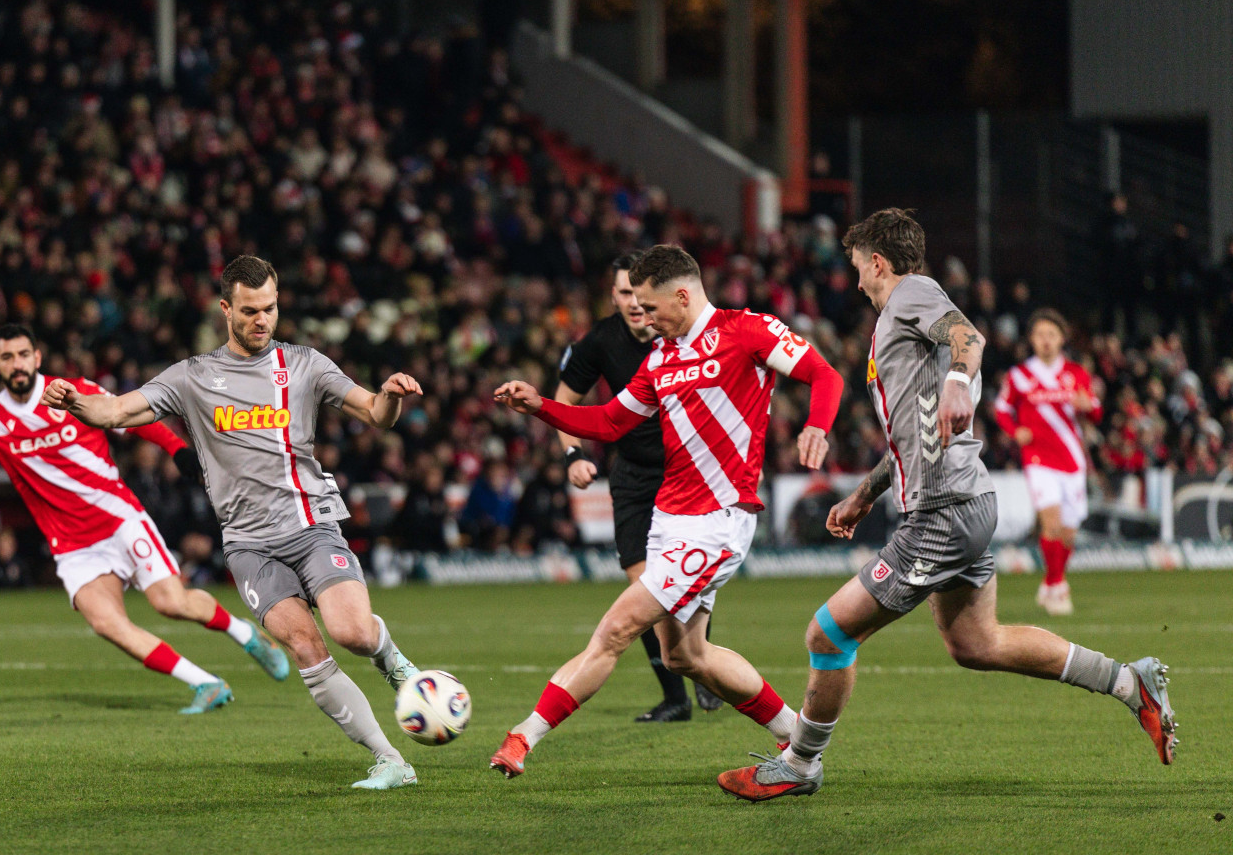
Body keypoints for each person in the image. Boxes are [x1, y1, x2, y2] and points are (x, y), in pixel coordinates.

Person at [718, 209, 1174, 802]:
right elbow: (915, 433)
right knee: (976, 644)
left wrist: (959, 378)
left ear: (878, 262)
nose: (855, 281)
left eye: (858, 267)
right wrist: (865, 492)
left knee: (828, 635)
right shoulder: (903, 318)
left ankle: (801, 763)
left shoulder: (912, 295)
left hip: (943, 512)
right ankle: (1127, 682)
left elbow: (969, 337)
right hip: (965, 500)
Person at [43, 255, 425, 790]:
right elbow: (116, 413)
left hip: (310, 524)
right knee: (306, 648)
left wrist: (389, 396)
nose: (261, 320)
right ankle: (390, 760)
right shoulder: (193, 377)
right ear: (226, 309)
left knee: (352, 633)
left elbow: (374, 414)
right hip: (248, 545)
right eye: (249, 311)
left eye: (269, 308)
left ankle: (392, 659)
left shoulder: (306, 364)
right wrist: (72, 401)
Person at [487, 245, 844, 779]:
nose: (644, 318)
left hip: (718, 520)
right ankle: (798, 739)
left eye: (651, 308)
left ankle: (523, 737)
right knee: (684, 657)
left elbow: (825, 376)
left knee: (615, 629)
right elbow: (609, 422)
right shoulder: (661, 358)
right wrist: (543, 408)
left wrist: (816, 424)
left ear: (682, 295)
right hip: (669, 520)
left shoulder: (749, 331)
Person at [0, 323, 289, 713]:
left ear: (37, 357)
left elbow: (131, 415)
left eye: (23, 355)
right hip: (71, 545)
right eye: (7, 358)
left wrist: (176, 449)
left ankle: (245, 634)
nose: (17, 364)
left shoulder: (74, 391)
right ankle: (206, 683)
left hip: (119, 521)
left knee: (170, 603)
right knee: (108, 624)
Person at [554, 252, 722, 722]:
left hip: (685, 473)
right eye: (624, 293)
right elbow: (565, 401)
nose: (633, 303)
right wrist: (572, 454)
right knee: (646, 585)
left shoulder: (687, 334)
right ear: (612, 295)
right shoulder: (599, 342)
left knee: (679, 585)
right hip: (631, 476)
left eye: (639, 294)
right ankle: (677, 695)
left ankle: (701, 665)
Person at [993, 309, 1102, 615]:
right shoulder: (1019, 376)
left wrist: (1086, 407)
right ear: (1031, 339)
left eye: (1051, 335)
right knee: (1051, 523)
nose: (1045, 340)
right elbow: (1001, 409)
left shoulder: (1076, 373)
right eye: (1040, 335)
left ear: (1061, 339)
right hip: (1039, 459)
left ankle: (1053, 580)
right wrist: (1016, 432)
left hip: (1072, 459)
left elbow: (1096, 411)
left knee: (1069, 532)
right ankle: (1056, 588)